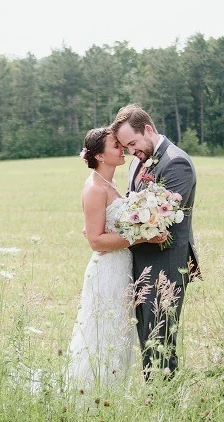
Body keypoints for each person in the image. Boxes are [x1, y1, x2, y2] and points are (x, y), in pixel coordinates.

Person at [66, 126, 168, 393]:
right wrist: (143, 237)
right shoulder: (94, 189)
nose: (122, 148)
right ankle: (89, 394)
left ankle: (112, 392)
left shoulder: (109, 183)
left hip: (122, 267)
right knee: (103, 332)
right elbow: (96, 241)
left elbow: (100, 227)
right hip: (107, 271)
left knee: (119, 334)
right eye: (115, 145)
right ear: (99, 156)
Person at [110, 103, 201, 379]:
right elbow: (130, 205)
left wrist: (110, 237)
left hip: (166, 264)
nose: (131, 152)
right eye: (125, 147)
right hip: (142, 263)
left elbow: (161, 221)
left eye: (133, 143)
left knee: (161, 338)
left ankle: (165, 399)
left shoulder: (176, 163)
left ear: (148, 129)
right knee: (146, 337)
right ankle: (155, 395)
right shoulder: (139, 160)